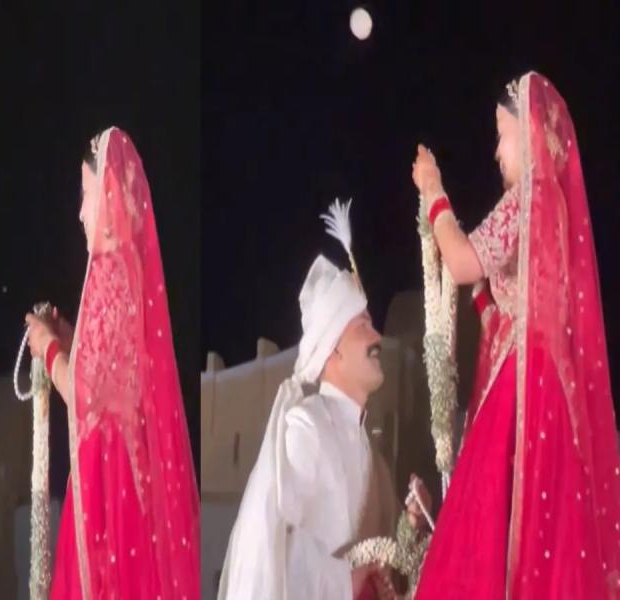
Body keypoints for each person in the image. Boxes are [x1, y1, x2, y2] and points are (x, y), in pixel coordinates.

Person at [411, 71, 620, 598]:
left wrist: (433, 192)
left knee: (483, 527)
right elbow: (512, 301)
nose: (496, 151)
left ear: (528, 133)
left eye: (502, 135)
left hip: (521, 390)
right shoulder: (554, 209)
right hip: (547, 393)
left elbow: (462, 260)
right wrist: (484, 299)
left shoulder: (531, 196)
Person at [25, 127, 200, 599]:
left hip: (108, 480)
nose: (81, 212)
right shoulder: (130, 270)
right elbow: (109, 374)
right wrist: (70, 341)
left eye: (85, 195)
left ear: (108, 197)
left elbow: (84, 393)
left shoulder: (108, 270)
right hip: (127, 471)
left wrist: (47, 347)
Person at [217, 243, 430, 600]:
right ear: (333, 349)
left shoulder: (370, 451)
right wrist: (344, 580)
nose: (377, 337)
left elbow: (387, 557)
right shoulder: (308, 425)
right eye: (363, 325)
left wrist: (412, 519)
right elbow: (276, 544)